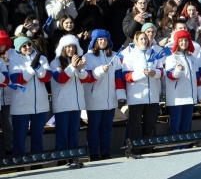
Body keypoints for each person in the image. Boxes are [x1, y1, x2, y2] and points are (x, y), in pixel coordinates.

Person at [82, 29, 126, 161]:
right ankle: (93, 153)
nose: (102, 42)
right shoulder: (88, 57)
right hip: (94, 99)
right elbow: (87, 77)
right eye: (100, 39)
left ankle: (105, 152)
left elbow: (118, 77)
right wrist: (100, 70)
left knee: (107, 128)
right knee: (94, 129)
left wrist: (120, 94)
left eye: (105, 40)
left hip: (110, 100)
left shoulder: (114, 56)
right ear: (95, 41)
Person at [123, 31, 164, 158]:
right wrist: (141, 73)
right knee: (135, 125)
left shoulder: (154, 53)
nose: (143, 41)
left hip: (152, 95)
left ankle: (148, 149)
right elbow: (126, 75)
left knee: (150, 124)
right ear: (136, 40)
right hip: (137, 95)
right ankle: (135, 150)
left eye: (145, 38)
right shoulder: (130, 55)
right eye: (141, 39)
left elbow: (161, 71)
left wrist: (155, 73)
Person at [9, 36, 49, 156]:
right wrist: (32, 69)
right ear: (19, 48)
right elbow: (17, 80)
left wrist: (38, 67)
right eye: (24, 46)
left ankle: (37, 163)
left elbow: (46, 78)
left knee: (37, 137)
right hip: (21, 106)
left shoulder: (42, 58)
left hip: (40, 105)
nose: (28, 47)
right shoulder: (14, 60)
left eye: (29, 44)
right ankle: (19, 164)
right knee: (20, 138)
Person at [50, 34, 88, 151]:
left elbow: (85, 79)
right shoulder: (55, 62)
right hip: (62, 104)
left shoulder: (78, 62)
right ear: (63, 48)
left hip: (76, 104)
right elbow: (61, 79)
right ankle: (62, 159)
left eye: (73, 47)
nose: (71, 49)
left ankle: (74, 157)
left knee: (73, 133)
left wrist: (80, 69)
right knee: (62, 134)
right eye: (68, 47)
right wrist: (72, 66)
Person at [165, 29, 201, 138]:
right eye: (181, 40)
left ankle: (185, 146)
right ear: (177, 42)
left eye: (186, 40)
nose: (184, 43)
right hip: (177, 98)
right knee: (175, 125)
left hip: (189, 97)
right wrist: (177, 70)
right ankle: (176, 148)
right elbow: (170, 76)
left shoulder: (192, 57)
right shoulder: (171, 58)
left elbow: (197, 78)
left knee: (186, 125)